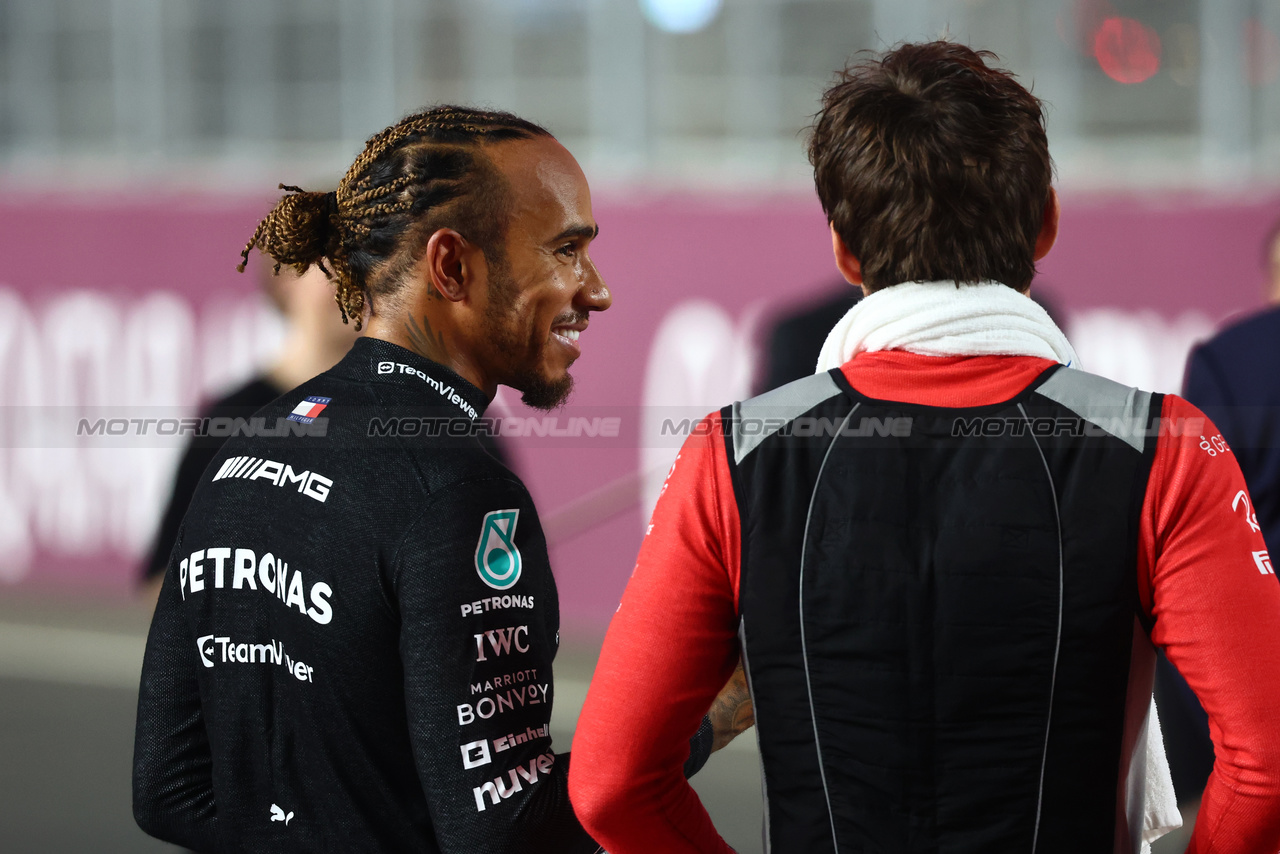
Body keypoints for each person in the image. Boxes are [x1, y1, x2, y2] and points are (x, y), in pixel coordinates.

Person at [569, 43, 1280, 854]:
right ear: (1046, 222)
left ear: (843, 249)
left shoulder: (731, 454)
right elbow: (1270, 762)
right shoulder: (1168, 448)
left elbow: (611, 783)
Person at [132, 106, 728, 853]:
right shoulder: (458, 491)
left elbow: (168, 791)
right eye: (566, 251)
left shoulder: (248, 442)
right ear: (452, 266)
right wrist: (714, 720)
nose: (597, 290)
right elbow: (508, 835)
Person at [139, 262, 360, 599]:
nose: (351, 283)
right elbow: (161, 583)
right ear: (288, 277)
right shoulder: (233, 419)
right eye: (333, 266)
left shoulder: (390, 415)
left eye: (363, 263)